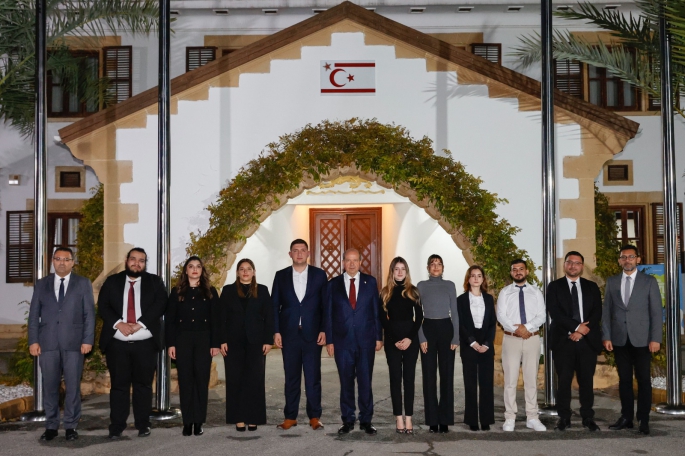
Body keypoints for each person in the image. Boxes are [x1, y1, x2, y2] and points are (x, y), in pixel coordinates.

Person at [98, 247, 168, 439]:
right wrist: (119, 324)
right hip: (117, 344)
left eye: (141, 261)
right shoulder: (112, 281)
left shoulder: (154, 282)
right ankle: (117, 426)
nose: (137, 263)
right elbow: (103, 305)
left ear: (145, 264)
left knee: (143, 386)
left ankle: (143, 424)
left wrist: (140, 324)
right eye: (133, 259)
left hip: (145, 344)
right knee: (118, 386)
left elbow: (161, 304)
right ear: (126, 260)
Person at [27, 247, 95, 442]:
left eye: (66, 259)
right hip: (47, 343)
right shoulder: (42, 284)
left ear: (72, 262)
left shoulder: (83, 283)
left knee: (73, 387)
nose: (62, 262)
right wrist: (33, 340)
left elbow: (89, 314)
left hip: (74, 343)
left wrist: (87, 340)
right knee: (50, 386)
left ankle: (71, 426)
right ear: (52, 261)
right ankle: (51, 426)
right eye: (58, 259)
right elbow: (34, 315)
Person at [602, 245, 662, 435]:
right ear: (619, 260)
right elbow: (606, 311)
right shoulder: (612, 282)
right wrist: (607, 335)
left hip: (643, 339)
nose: (627, 260)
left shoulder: (649, 281)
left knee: (644, 380)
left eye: (631, 256)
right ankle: (626, 417)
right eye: (623, 257)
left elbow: (656, 312)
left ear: (638, 259)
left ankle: (643, 419)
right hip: (619, 338)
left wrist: (655, 338)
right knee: (624, 380)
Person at [325, 248, 383, 435]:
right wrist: (330, 340)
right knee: (346, 382)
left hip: (366, 341)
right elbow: (328, 314)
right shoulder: (333, 284)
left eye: (355, 260)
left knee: (365, 382)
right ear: (343, 263)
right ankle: (347, 420)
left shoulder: (370, 282)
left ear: (360, 262)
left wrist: (378, 337)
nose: (351, 264)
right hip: (342, 342)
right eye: (348, 260)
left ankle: (366, 420)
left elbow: (376, 311)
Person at [272, 239, 328, 431]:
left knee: (313, 377)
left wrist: (324, 330)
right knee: (291, 377)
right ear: (290, 254)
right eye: (295, 250)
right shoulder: (281, 276)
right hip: (289, 334)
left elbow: (325, 306)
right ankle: (290, 417)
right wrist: (276, 331)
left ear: (308, 253)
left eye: (302, 250)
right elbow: (274, 306)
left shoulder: (319, 275)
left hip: (313, 334)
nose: (299, 253)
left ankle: (315, 416)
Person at [546, 251, 602, 432]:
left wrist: (582, 332)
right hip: (564, 341)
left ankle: (588, 417)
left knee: (586, 381)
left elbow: (597, 312)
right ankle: (564, 417)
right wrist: (576, 328)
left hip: (587, 342)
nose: (573, 266)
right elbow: (555, 312)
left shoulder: (591, 286)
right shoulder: (554, 287)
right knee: (564, 382)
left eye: (577, 263)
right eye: (570, 262)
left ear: (582, 266)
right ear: (565, 265)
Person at [166, 256, 221, 436]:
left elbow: (216, 320)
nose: (195, 269)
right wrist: (171, 344)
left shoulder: (210, 292)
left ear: (202, 270)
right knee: (186, 381)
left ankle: (198, 421)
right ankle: (187, 421)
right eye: (191, 266)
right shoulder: (177, 292)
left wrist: (215, 343)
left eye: (198, 266)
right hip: (183, 340)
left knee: (201, 381)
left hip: (204, 340)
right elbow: (170, 321)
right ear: (186, 270)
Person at [220, 258, 274, 431]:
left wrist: (268, 340)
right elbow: (221, 318)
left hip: (256, 342)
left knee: (255, 380)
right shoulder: (228, 291)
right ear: (237, 272)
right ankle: (238, 418)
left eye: (248, 269)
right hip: (233, 342)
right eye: (242, 269)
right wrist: (222, 340)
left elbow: (269, 317)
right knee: (235, 379)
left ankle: (253, 418)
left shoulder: (262, 290)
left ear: (254, 272)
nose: (245, 272)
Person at [496, 259, 547, 432]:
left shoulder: (536, 292)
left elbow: (542, 316)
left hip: (532, 339)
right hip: (511, 339)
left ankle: (532, 417)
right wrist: (517, 329)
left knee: (531, 380)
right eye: (514, 269)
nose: (518, 272)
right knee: (510, 380)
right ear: (511, 273)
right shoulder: (505, 292)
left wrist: (527, 328)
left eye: (521, 269)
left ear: (527, 272)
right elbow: (501, 315)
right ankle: (510, 417)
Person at [379, 257, 423, 434]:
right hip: (392, 339)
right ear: (392, 271)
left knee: (409, 379)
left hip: (411, 339)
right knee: (395, 378)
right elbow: (383, 319)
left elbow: (419, 317)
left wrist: (409, 338)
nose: (399, 272)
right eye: (396, 269)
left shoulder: (414, 291)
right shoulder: (385, 292)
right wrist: (395, 339)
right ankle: (398, 418)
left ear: (406, 272)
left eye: (402, 269)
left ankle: (409, 418)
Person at [417, 254, 459, 433]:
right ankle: (432, 420)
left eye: (439, 264)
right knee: (429, 376)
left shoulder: (450, 285)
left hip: (446, 329)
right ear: (428, 268)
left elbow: (455, 312)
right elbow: (417, 313)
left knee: (447, 375)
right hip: (427, 328)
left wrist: (456, 337)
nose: (436, 267)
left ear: (443, 267)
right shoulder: (421, 286)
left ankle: (445, 420)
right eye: (432, 264)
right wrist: (421, 337)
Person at [456, 265, 496, 432]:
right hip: (469, 343)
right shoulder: (461, 300)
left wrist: (486, 343)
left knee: (486, 383)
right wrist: (472, 342)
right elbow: (460, 323)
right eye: (473, 275)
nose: (476, 278)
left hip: (486, 343)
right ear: (468, 279)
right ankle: (472, 419)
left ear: (483, 279)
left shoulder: (488, 299)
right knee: (470, 383)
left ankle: (486, 419)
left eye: (479, 275)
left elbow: (492, 323)